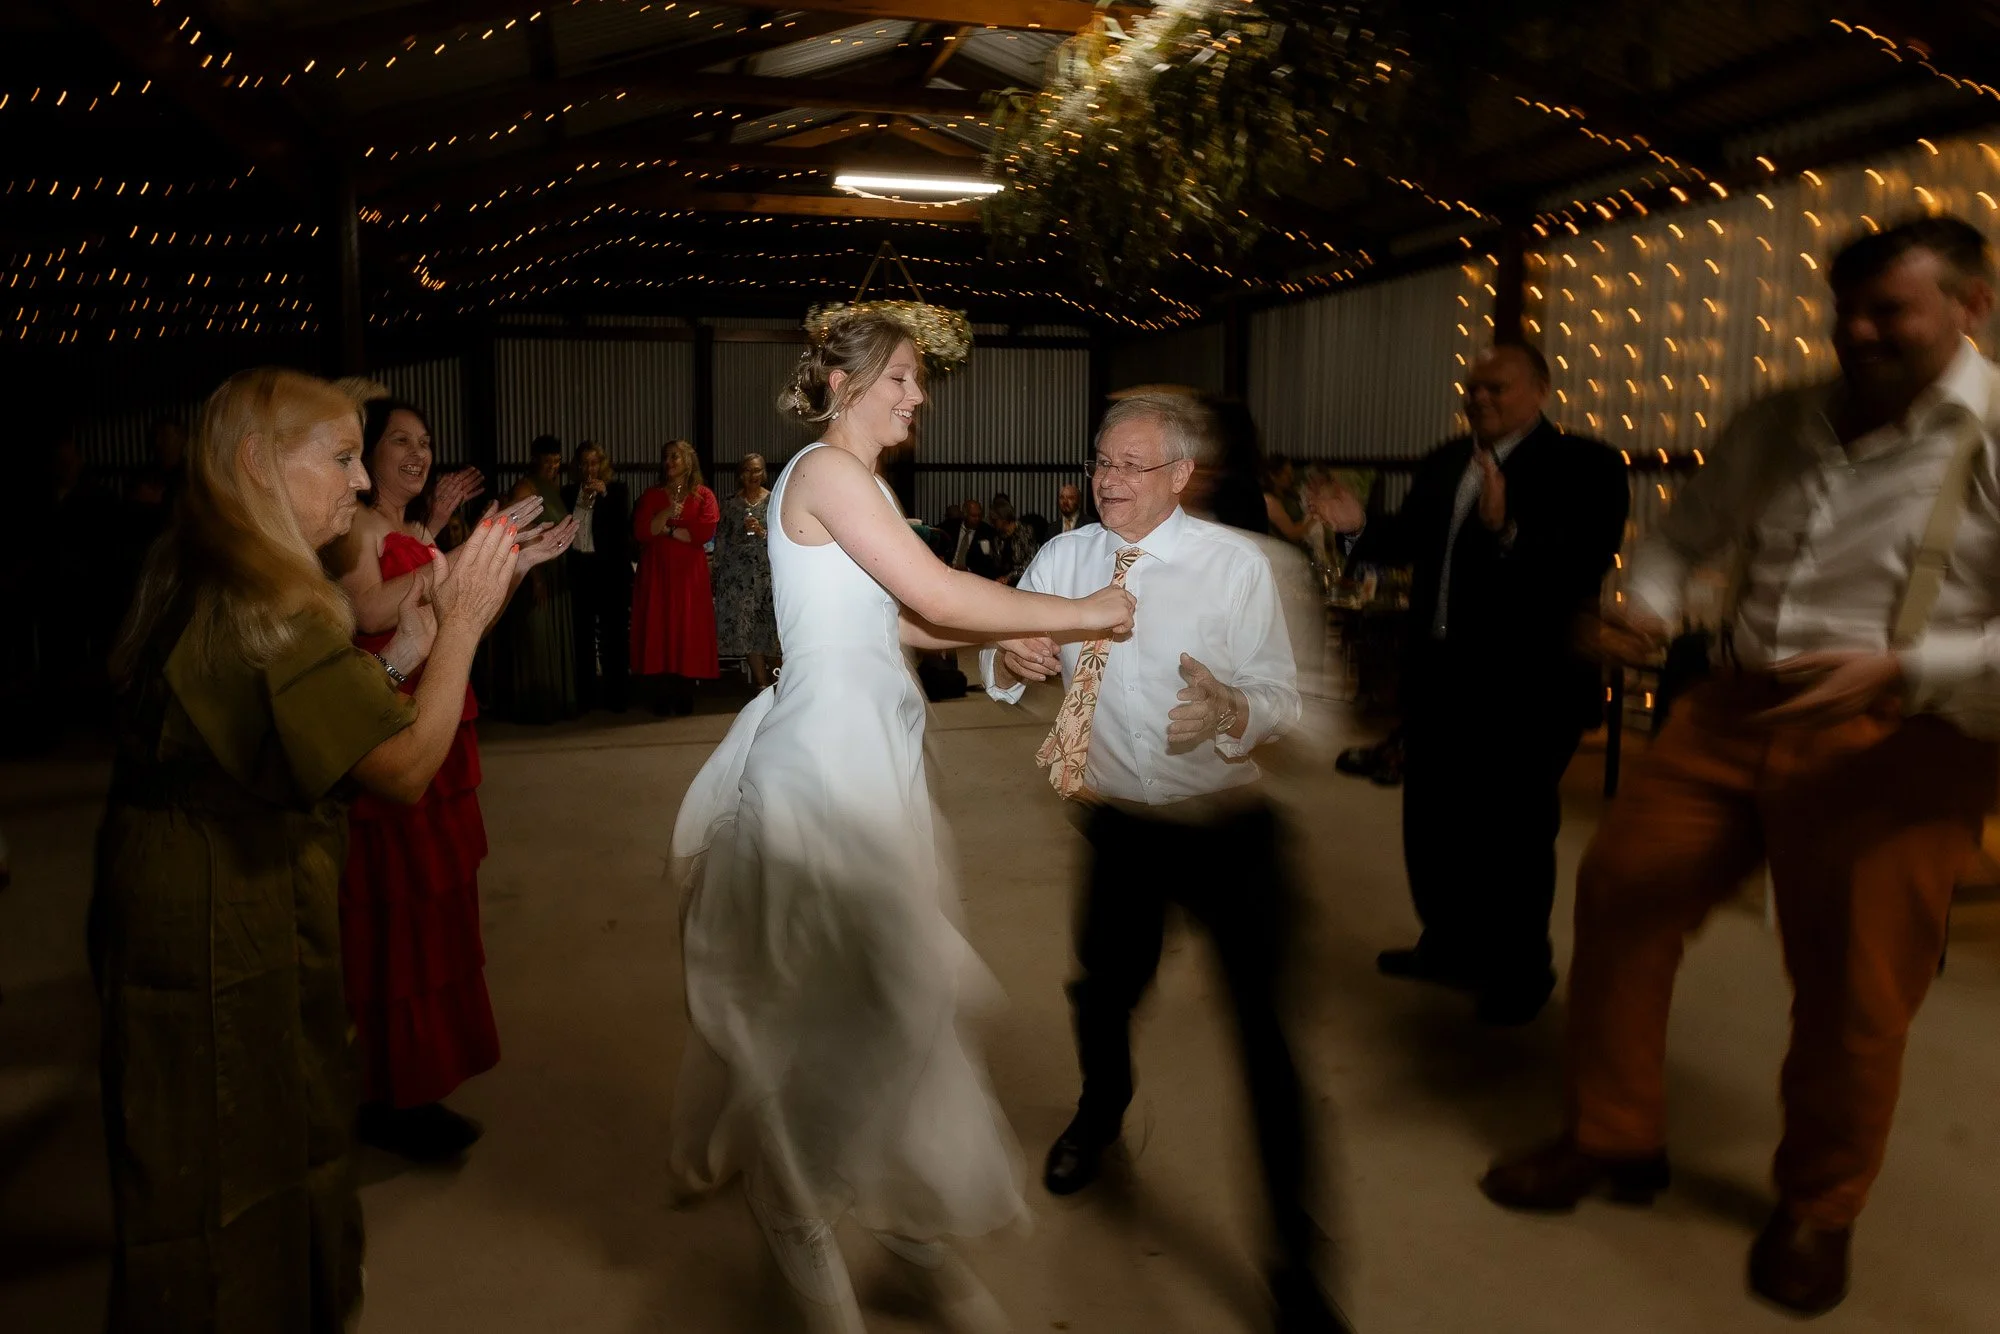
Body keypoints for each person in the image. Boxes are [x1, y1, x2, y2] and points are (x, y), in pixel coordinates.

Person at [1481, 216, 2000, 1317]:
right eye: (1844, 311)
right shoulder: (1779, 419)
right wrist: (1647, 605)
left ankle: (1820, 1203)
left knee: (1854, 986)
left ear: (1971, 306)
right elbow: (1683, 535)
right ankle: (1612, 1135)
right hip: (1730, 707)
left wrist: (1905, 666)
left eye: (1888, 312)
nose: (1855, 333)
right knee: (1622, 891)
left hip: (1904, 735)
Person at [668, 311, 1134, 1334]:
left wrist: (990, 645)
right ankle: (798, 1211)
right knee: (854, 1001)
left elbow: (897, 614)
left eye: (918, 381)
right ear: (843, 381)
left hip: (873, 759)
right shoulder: (825, 472)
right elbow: (931, 586)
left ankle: (901, 1221)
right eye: (903, 378)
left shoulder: (864, 485)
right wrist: (1080, 611)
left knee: (895, 1001)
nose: (918, 396)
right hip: (824, 771)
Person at [90, 367, 519, 1332]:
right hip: (216, 905)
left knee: (253, 1126)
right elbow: (402, 765)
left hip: (195, 879)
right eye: (340, 457)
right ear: (257, 462)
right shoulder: (263, 597)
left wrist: (409, 648)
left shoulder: (209, 560)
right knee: (230, 1155)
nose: (361, 482)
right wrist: (463, 626)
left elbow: (311, 712)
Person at [985, 392, 1346, 1333]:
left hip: (1230, 833)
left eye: (1132, 465)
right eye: (1102, 461)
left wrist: (1234, 709)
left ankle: (1297, 1267)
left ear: (1182, 475)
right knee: (1102, 992)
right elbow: (1001, 651)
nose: (1109, 481)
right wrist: (1009, 662)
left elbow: (1291, 701)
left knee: (1267, 1045)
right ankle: (1101, 1113)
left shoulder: (1242, 567)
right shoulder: (1064, 559)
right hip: (1118, 830)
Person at [1309, 341, 1629, 1024]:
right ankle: (1449, 945)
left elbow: (1583, 562)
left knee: (1512, 834)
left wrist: (1506, 529)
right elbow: (1404, 541)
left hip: (1527, 688)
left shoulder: (1587, 465)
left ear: (1540, 390)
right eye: (1472, 387)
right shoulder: (1446, 461)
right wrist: (1357, 527)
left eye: (1496, 388)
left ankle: (1520, 971)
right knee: (1435, 823)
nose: (1479, 398)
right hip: (1441, 677)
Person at [325, 397, 576, 1161]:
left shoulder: (413, 533)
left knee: (436, 912)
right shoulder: (358, 530)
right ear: (367, 453)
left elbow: (461, 627)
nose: (418, 453)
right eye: (399, 440)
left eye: (425, 441)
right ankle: (389, 1092)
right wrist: (465, 557)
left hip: (437, 719)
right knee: (397, 915)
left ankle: (416, 1078)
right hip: (392, 728)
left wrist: (509, 568)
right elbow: (367, 609)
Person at [492, 435, 580, 722]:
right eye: (547, 461)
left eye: (557, 461)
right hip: (535, 570)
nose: (553, 466)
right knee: (537, 636)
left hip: (558, 571)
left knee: (554, 634)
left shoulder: (555, 488)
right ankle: (535, 703)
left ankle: (557, 699)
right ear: (535, 460)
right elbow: (521, 533)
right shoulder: (525, 487)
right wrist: (536, 577)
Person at [632, 439, 720, 714]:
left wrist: (666, 527)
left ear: (688, 461)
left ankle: (684, 692)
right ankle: (660, 693)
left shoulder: (703, 495)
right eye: (666, 457)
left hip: (688, 576)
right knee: (659, 626)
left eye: (675, 457)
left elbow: (703, 531)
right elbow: (643, 531)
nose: (668, 462)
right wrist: (669, 516)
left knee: (686, 627)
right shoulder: (652, 495)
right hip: (657, 573)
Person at [564, 441, 635, 712]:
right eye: (584, 463)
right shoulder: (568, 492)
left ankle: (617, 695)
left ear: (602, 464)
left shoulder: (616, 491)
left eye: (594, 463)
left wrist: (604, 495)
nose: (589, 469)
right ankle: (585, 696)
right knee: (581, 635)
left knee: (613, 635)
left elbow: (622, 528)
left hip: (609, 572)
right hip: (580, 568)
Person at [714, 452, 781, 689]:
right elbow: (721, 541)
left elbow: (785, 537)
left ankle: (779, 684)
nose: (753, 475)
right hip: (738, 578)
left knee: (771, 632)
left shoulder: (775, 501)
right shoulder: (729, 503)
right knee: (748, 632)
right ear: (740, 474)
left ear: (764, 473)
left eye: (757, 470)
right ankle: (762, 686)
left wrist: (763, 533)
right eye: (747, 470)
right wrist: (717, 574)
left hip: (768, 576)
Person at [933, 497, 1000, 577]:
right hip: (947, 570)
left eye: (979, 515)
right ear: (964, 514)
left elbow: (988, 563)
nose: (977, 519)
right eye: (973, 516)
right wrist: (940, 557)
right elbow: (935, 537)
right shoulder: (951, 525)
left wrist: (968, 569)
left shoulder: (987, 531)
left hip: (971, 575)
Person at [1262, 453, 1313, 545]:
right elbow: (1292, 533)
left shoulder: (1288, 494)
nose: (1291, 477)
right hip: (1286, 548)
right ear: (1273, 475)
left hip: (1303, 539)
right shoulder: (1270, 500)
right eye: (1286, 473)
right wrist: (1313, 520)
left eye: (1291, 473)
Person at [988, 499, 1038, 586]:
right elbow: (996, 564)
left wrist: (1009, 577)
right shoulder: (997, 537)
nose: (992, 523)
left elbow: (1030, 562)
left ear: (1003, 519)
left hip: (1021, 582)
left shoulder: (1025, 532)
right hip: (1001, 582)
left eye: (994, 520)